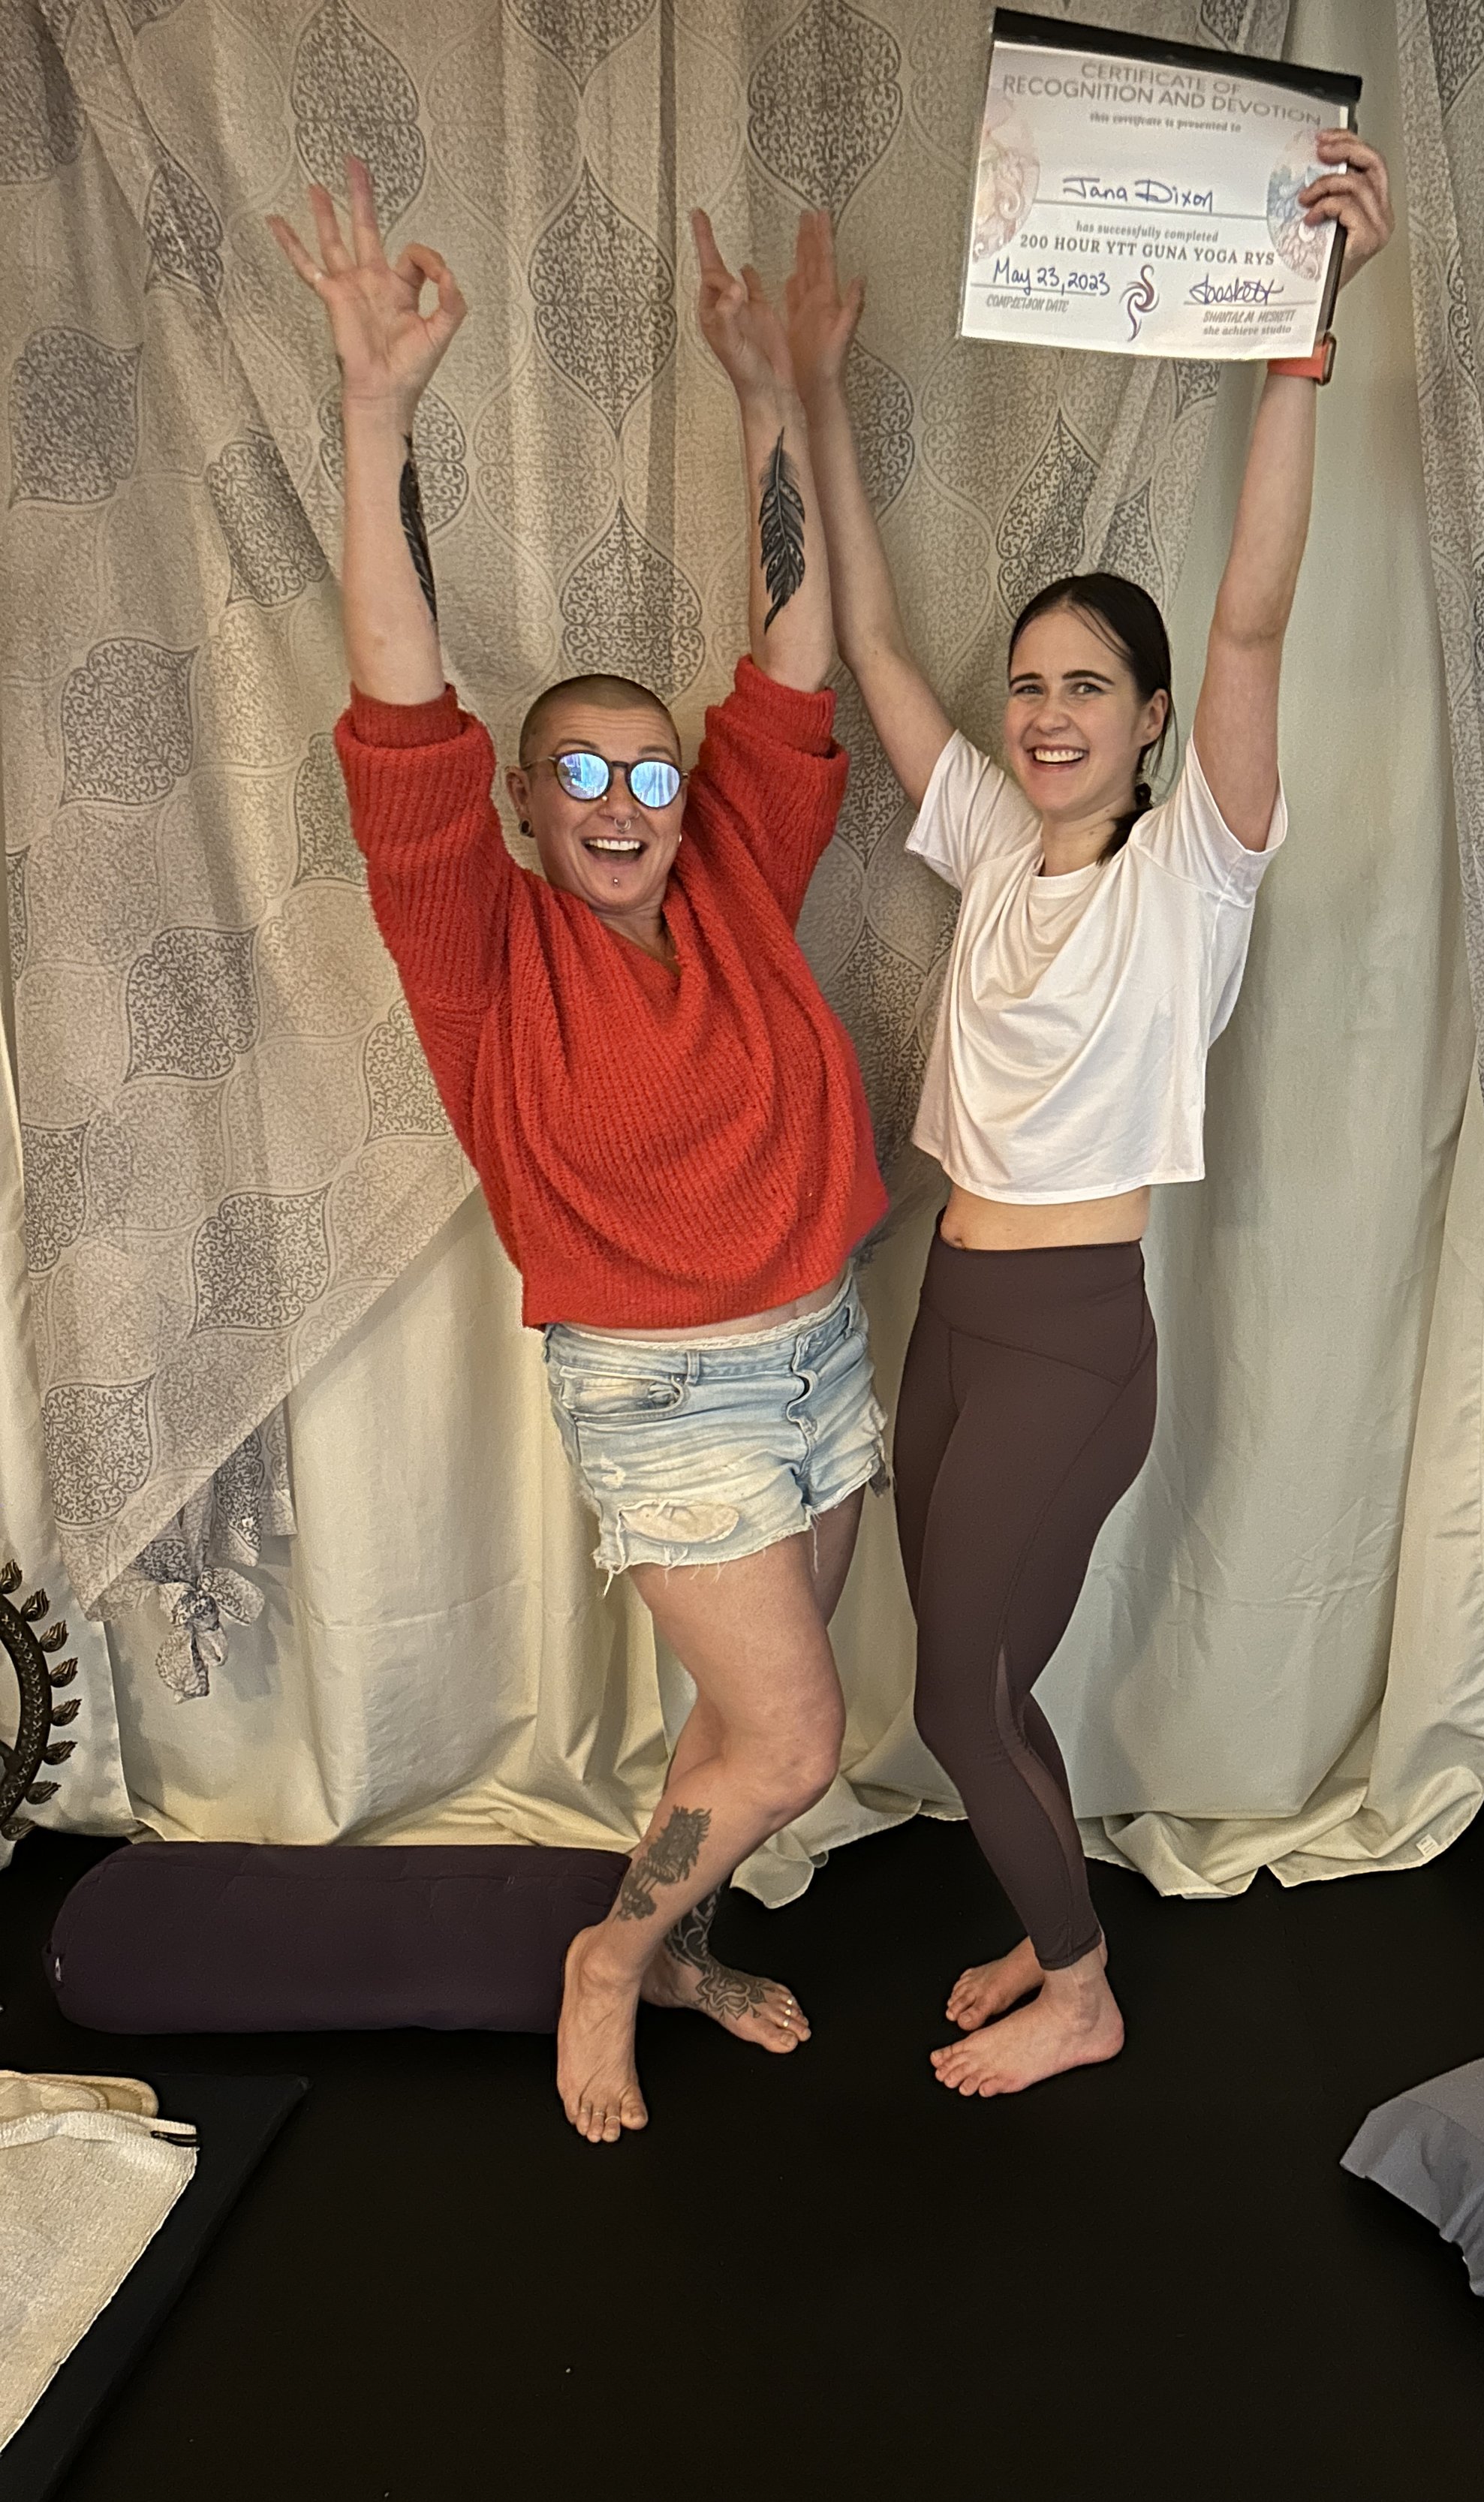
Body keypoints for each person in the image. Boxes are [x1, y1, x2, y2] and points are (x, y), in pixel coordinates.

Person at [269, 162, 889, 2142]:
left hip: (819, 1343)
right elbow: (396, 695)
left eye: (647, 769)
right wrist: (378, 412)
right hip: (663, 1384)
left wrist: (767, 400)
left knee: (738, 1728)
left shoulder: (731, 879)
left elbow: (792, 659)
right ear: (526, 812)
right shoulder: (478, 946)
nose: (624, 800)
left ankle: (677, 1938)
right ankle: (610, 1960)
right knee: (797, 1742)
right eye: (581, 777)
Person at [786, 134, 1394, 2096]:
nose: (1044, 709)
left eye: (1086, 685)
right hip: (954, 1308)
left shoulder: (1188, 868)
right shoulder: (995, 845)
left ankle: (1080, 1981)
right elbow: (877, 660)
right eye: (1029, 681)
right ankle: (1054, 1943)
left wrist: (1299, 341)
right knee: (962, 1671)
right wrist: (807, 401)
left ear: (1145, 721)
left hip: (1069, 1338)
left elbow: (1246, 621)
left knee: (959, 1689)